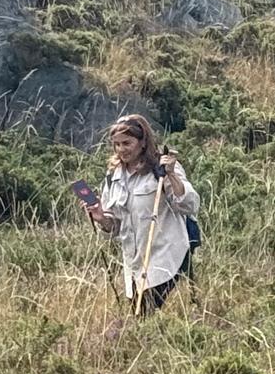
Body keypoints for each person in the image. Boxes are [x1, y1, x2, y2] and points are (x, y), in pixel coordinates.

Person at [85, 114, 201, 316]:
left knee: (147, 317)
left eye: (127, 143)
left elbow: (190, 204)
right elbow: (114, 227)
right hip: (135, 265)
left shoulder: (161, 169)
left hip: (166, 258)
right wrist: (100, 216)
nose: (122, 149)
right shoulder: (114, 175)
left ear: (142, 142)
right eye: (117, 144)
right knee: (140, 321)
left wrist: (171, 175)